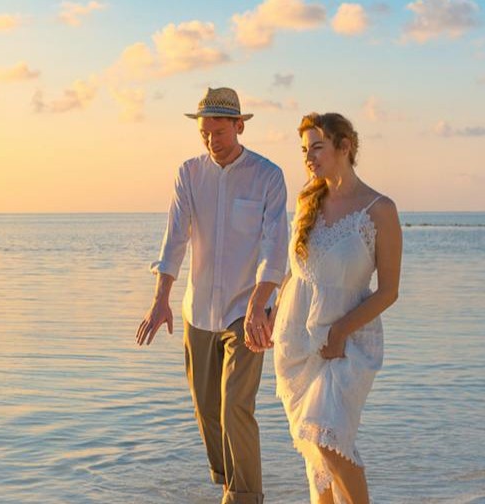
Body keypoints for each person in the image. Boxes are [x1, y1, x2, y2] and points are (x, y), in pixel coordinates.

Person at [134, 87, 289, 504]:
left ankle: (245, 496)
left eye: (219, 132)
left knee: (235, 405)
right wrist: (161, 298)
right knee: (206, 410)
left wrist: (260, 304)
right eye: (204, 133)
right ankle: (228, 482)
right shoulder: (189, 173)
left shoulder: (268, 176)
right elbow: (175, 239)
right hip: (198, 311)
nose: (211, 141)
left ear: (239, 126)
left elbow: (275, 246)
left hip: (247, 310)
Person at [271, 112, 402, 504]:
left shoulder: (379, 209)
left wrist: (341, 331)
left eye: (317, 147)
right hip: (297, 340)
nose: (308, 157)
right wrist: (269, 314)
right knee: (316, 457)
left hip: (349, 342)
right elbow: (296, 273)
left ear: (345, 147)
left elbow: (389, 291)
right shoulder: (307, 202)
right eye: (304, 150)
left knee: (328, 437)